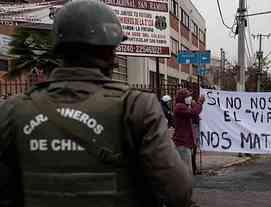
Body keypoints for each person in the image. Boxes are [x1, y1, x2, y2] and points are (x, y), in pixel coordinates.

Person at [0, 1, 192, 207]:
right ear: (110, 51)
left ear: (58, 48)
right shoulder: (136, 106)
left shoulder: (13, 110)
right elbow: (178, 192)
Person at [173, 89, 204, 174]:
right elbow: (194, 112)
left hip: (185, 143)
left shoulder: (183, 106)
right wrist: (200, 103)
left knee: (186, 170)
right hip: (182, 143)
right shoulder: (180, 107)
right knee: (186, 172)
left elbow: (193, 113)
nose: (190, 98)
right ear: (183, 97)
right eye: (187, 96)